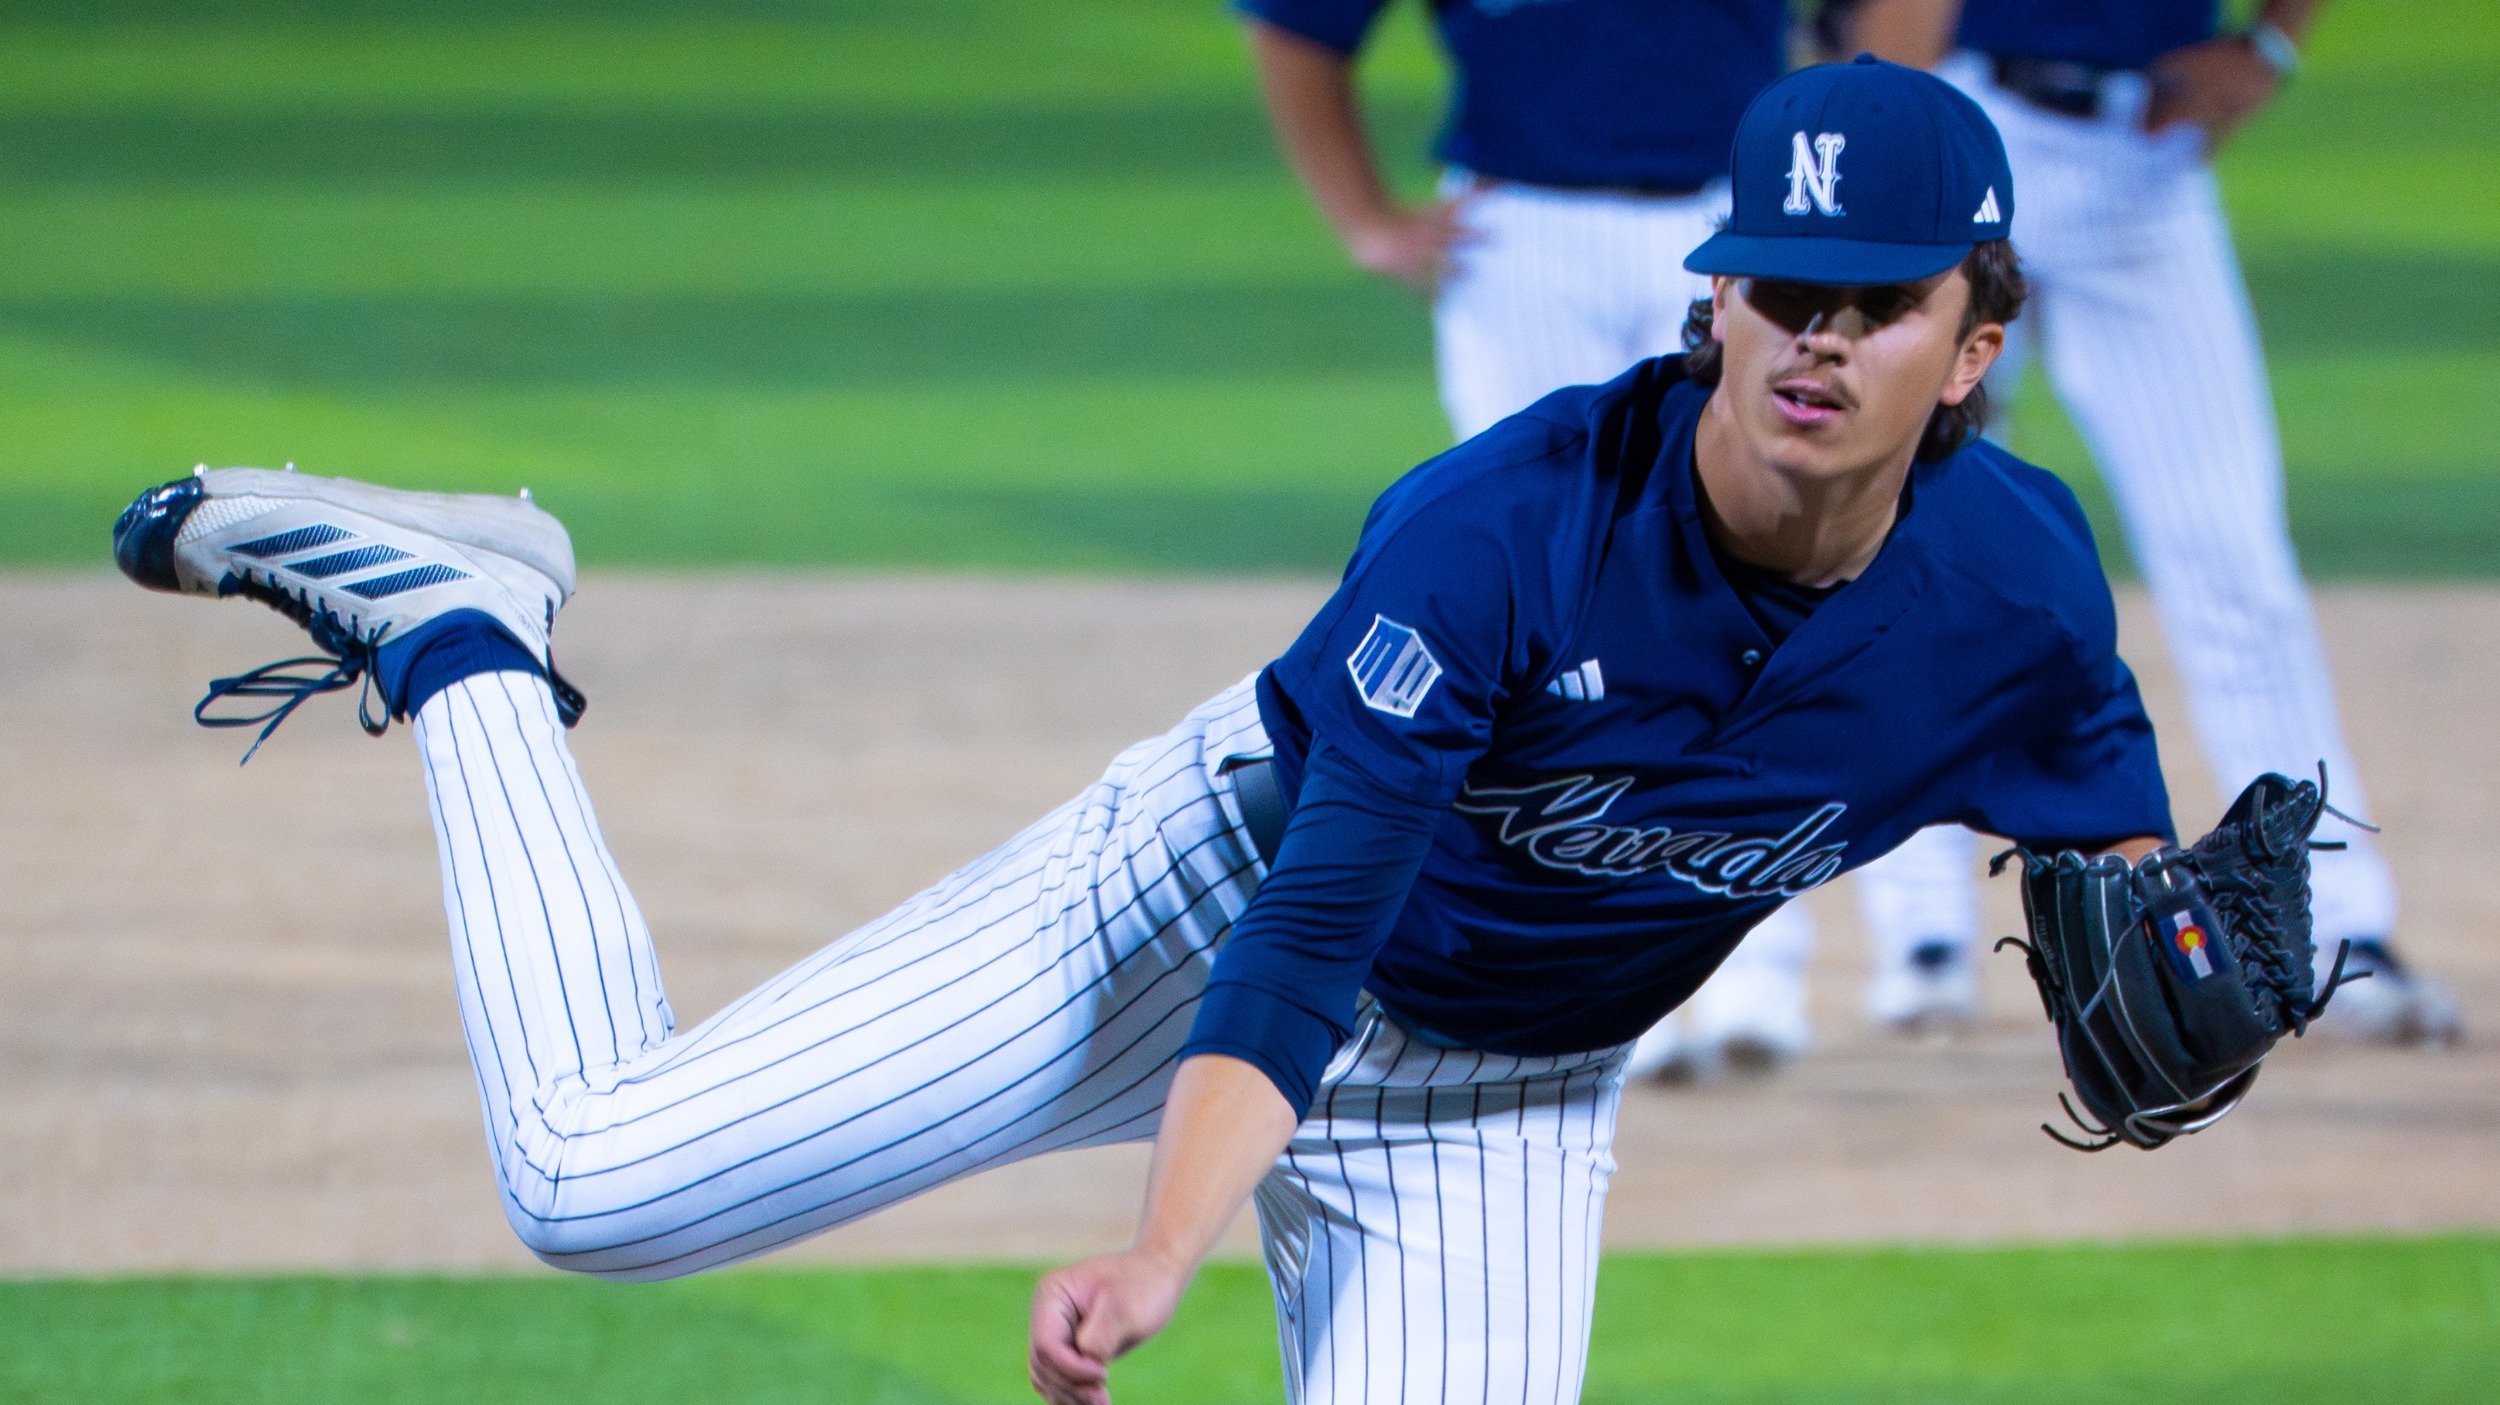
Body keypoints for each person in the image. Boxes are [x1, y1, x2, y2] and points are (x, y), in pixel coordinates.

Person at [121, 61, 2187, 1405]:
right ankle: (470, 635)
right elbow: (1306, 941)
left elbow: (2116, 869)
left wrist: (2198, 976)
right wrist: (1157, 1251)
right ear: (1706, 306)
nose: (1815, 337)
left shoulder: (2011, 592)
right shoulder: (1494, 532)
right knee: (589, 1184)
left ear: (1971, 339)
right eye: (1778, 290)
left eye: (1875, 302)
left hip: (1504, 1105)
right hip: (1193, 926)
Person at [1242, 0, 2020, 1075]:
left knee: (1768, 578)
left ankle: (1754, 966)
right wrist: (1363, 216)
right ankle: (1623, 974)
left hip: (1742, 234)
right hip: (1516, 239)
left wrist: (1874, 152)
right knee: (1558, 600)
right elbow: (1298, 23)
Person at [1842, 0, 2461, 1045]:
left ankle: (2338, 928)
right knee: (1904, 542)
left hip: (2145, 161)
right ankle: (1922, 938)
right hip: (1968, 129)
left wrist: (2269, 41)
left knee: (2235, 564)